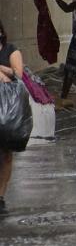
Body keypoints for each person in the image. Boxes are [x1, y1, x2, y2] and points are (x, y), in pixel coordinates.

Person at [0, 19, 26, 215]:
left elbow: (18, 74)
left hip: (6, 106)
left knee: (6, 153)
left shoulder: (11, 50)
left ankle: (0, 196)